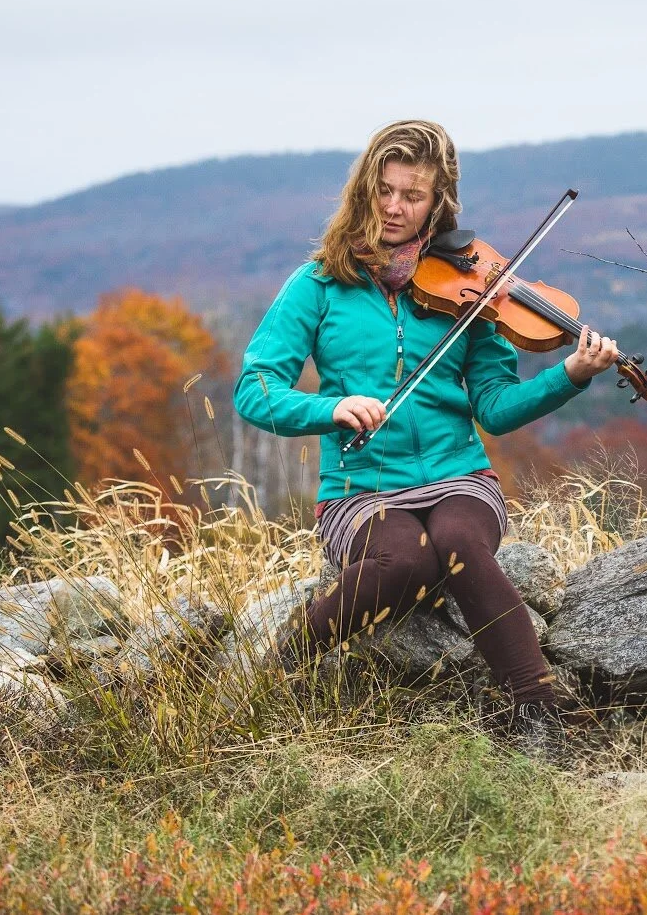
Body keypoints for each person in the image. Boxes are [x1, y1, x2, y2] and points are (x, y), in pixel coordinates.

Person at [233, 118, 619, 757]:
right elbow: (256, 390)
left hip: (459, 476)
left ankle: (539, 713)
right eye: (384, 190)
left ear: (439, 202)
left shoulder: (473, 288)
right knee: (406, 560)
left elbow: (495, 407)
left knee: (457, 541)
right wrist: (331, 407)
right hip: (358, 489)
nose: (394, 207)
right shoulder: (318, 284)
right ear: (364, 189)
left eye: (412, 195)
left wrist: (570, 375)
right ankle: (283, 664)